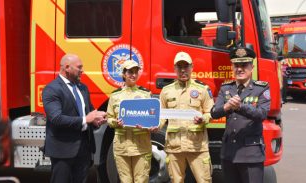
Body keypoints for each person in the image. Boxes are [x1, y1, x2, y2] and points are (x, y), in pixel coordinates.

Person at [42, 54, 107, 183]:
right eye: (79, 67)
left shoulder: (82, 88)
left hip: (84, 149)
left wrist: (96, 120)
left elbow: (89, 113)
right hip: (63, 150)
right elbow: (56, 118)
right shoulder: (52, 89)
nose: (82, 71)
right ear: (67, 67)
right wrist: (85, 119)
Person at [210, 47, 271, 183]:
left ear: (252, 67)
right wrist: (227, 106)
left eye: (244, 65)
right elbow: (214, 113)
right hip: (229, 153)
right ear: (232, 67)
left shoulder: (261, 88)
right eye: (236, 65)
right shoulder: (226, 88)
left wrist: (240, 106)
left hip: (250, 153)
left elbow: (262, 114)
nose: (240, 69)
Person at [159, 51, 214, 183]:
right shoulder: (166, 91)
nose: (183, 70)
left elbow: (210, 113)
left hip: (197, 146)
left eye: (186, 66)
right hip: (174, 146)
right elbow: (161, 117)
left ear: (192, 67)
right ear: (174, 68)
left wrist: (203, 119)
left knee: (204, 180)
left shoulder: (203, 89)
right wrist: (155, 126)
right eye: (179, 67)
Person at [107, 60, 158, 183]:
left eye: (136, 72)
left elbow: (153, 118)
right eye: (130, 72)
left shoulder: (146, 94)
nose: (133, 75)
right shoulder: (115, 95)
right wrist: (115, 122)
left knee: (141, 180)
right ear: (124, 74)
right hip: (122, 147)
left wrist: (151, 126)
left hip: (141, 147)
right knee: (125, 181)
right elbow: (109, 118)